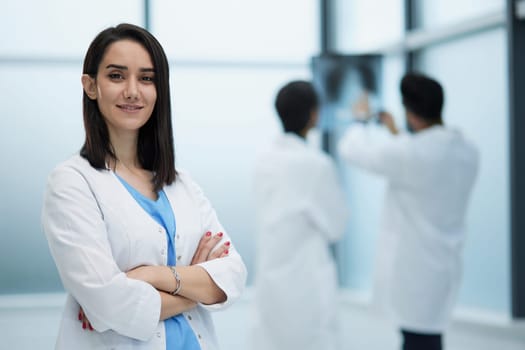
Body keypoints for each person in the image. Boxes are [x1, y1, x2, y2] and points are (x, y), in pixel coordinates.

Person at [41, 23, 247, 350]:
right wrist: (196, 285)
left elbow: (233, 276)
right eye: (117, 76)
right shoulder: (72, 182)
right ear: (90, 85)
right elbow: (111, 305)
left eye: (147, 78)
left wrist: (153, 276)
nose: (133, 91)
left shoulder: (181, 184)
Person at [337, 72, 479, 350]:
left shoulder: (409, 155)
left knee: (418, 341)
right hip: (445, 265)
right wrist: (398, 133)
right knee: (426, 338)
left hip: (415, 272)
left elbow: (352, 150)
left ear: (411, 113)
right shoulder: (466, 150)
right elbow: (424, 158)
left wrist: (359, 120)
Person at [250, 80, 349, 350]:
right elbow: (337, 226)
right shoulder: (316, 164)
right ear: (314, 114)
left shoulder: (264, 159)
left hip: (271, 280)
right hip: (307, 283)